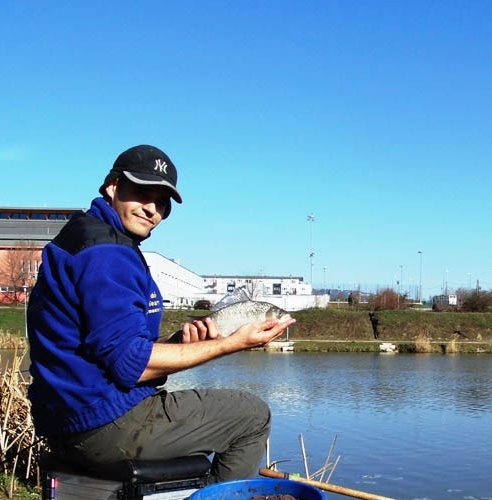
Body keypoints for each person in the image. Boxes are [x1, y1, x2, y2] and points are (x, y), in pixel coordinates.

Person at [26, 145, 295, 482]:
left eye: (162, 202)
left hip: (65, 419)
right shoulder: (108, 255)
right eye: (141, 192)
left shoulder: (81, 239)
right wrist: (231, 345)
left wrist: (178, 341)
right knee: (251, 415)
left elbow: (103, 346)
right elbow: (131, 367)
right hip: (104, 423)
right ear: (112, 186)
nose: (152, 209)